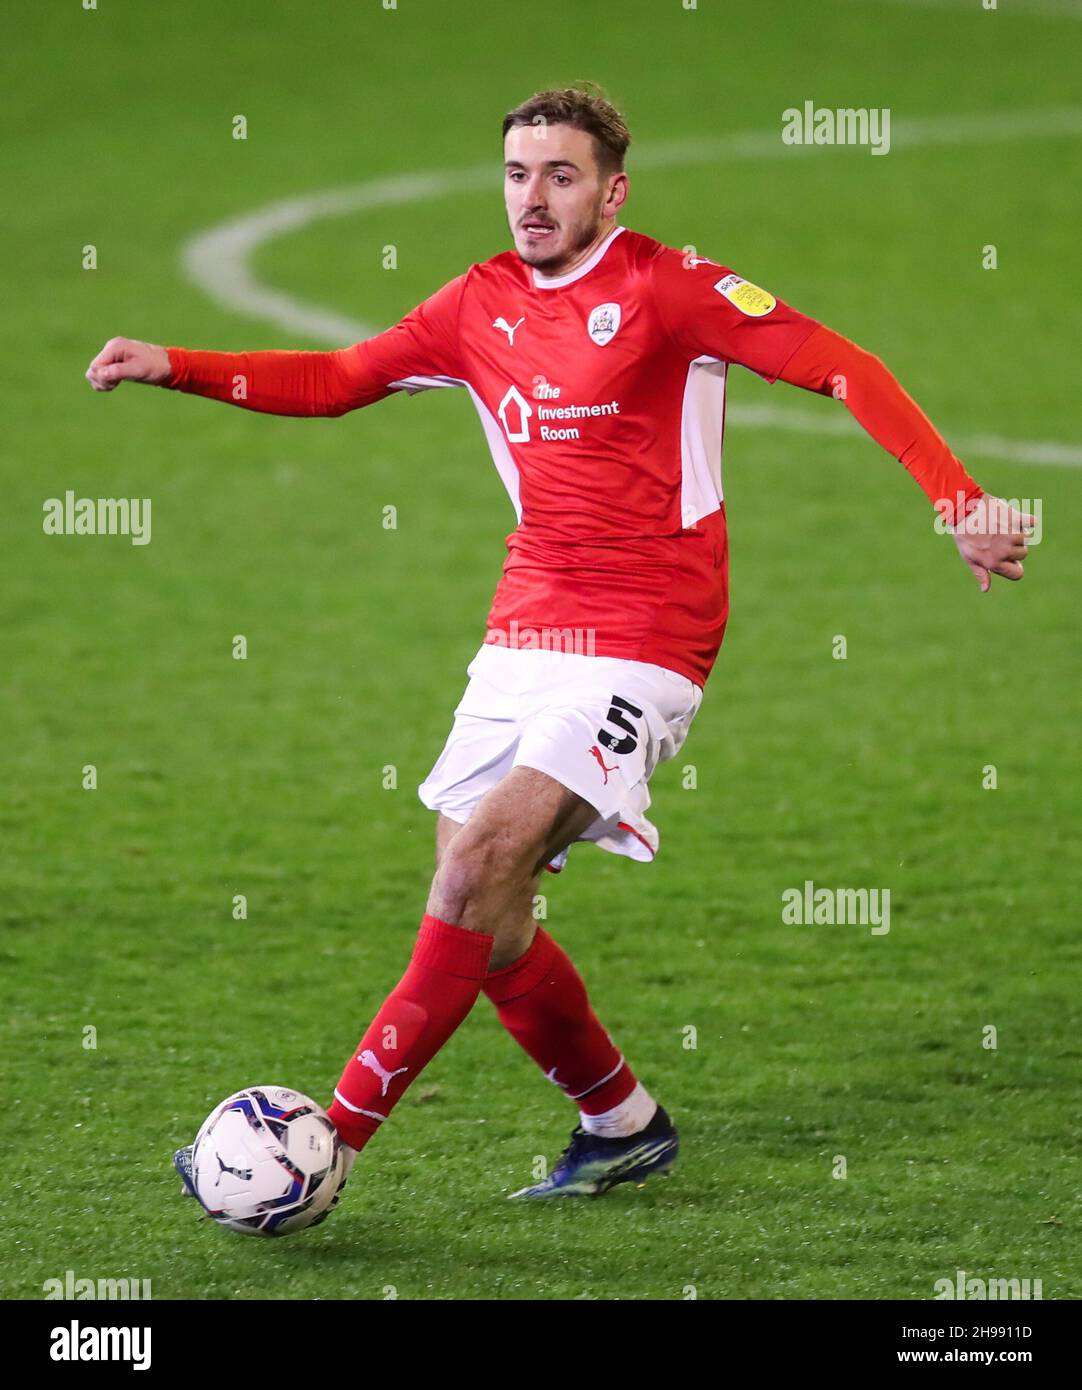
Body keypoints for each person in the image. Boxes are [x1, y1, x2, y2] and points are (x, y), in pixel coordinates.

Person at [86, 86, 1033, 1202]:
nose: (531, 200)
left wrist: (955, 497)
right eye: (516, 175)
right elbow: (344, 378)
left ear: (610, 191)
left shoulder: (669, 289)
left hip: (647, 633)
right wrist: (178, 365)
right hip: (524, 627)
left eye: (560, 176)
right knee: (481, 913)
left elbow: (842, 365)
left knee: (478, 866)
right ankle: (620, 1120)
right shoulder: (474, 302)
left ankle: (322, 1144)